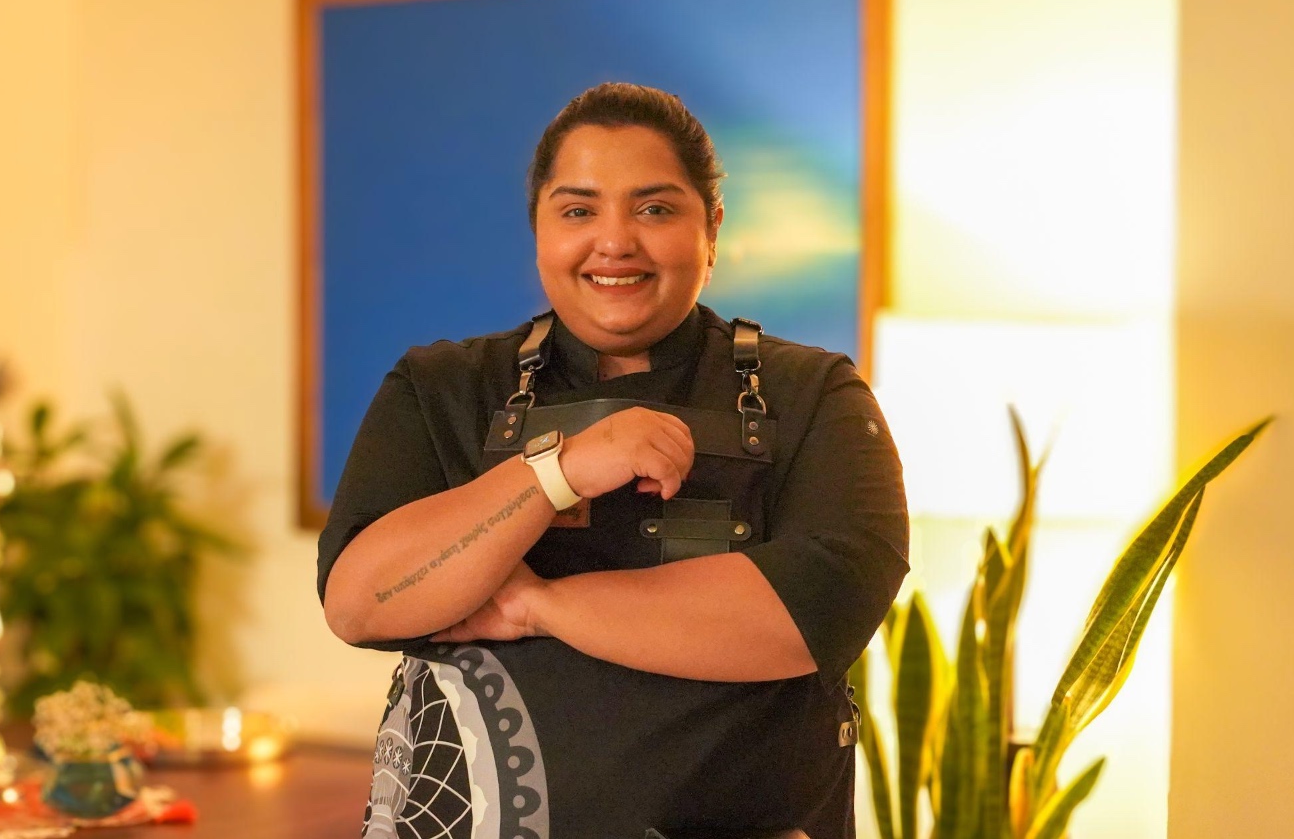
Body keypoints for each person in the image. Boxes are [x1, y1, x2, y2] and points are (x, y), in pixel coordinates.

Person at [317, 82, 909, 839]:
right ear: (538, 228)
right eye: (578, 211)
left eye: (655, 209)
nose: (615, 242)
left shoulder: (814, 394)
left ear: (712, 226)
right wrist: (555, 473)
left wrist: (536, 605)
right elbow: (360, 602)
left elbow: (808, 614)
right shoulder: (441, 387)